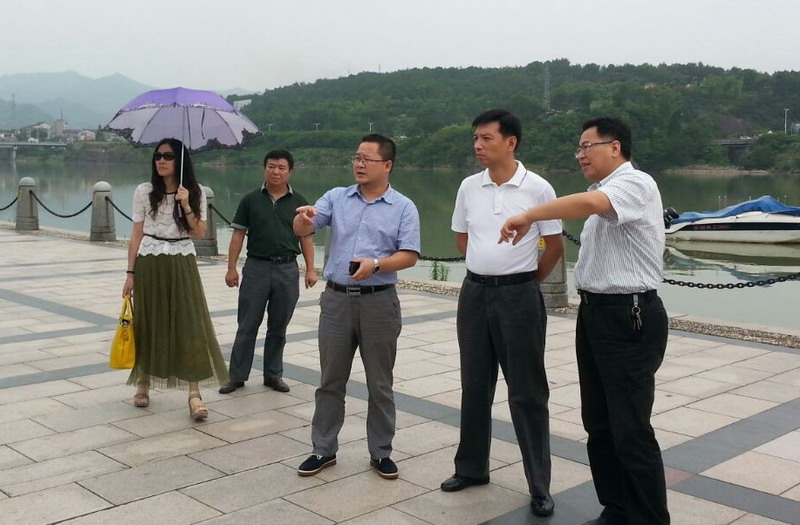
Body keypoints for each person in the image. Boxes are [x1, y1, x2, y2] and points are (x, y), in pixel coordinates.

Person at [499, 116, 670, 525]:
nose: (580, 155)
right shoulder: (602, 191)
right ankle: (616, 509)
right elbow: (591, 203)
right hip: (595, 313)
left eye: (587, 146)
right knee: (599, 421)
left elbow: (589, 205)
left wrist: (529, 215)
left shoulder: (635, 183)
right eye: (578, 148)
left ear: (615, 147)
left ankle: (648, 518)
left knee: (630, 426)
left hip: (629, 316)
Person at [440, 109, 563, 518]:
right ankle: (471, 468)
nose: (478, 145)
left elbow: (554, 247)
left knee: (527, 391)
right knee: (474, 385)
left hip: (519, 297)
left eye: (486, 138)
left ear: (511, 142)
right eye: (475, 138)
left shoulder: (538, 188)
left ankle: (539, 485)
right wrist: (485, 266)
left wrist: (524, 280)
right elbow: (462, 238)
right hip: (474, 294)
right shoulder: (468, 187)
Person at [292, 134, 420, 480]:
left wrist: (376, 265)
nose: (359, 164)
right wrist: (303, 218)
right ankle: (323, 449)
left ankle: (381, 452)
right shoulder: (337, 197)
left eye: (367, 159)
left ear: (387, 165)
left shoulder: (403, 207)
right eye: (357, 158)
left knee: (380, 383)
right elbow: (304, 226)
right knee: (330, 380)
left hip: (379, 302)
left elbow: (409, 255)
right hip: (336, 301)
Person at [123, 138, 229, 421]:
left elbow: (200, 232)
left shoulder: (194, 191)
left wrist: (186, 204)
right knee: (149, 320)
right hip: (149, 260)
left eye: (168, 156)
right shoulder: (144, 191)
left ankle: (194, 393)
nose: (161, 160)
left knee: (189, 323)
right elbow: (136, 234)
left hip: (182, 259)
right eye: (158, 156)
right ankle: (143, 381)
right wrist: (130, 273)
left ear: (180, 160)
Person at [219, 149, 317, 395]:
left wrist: (310, 270)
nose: (276, 171)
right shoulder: (250, 200)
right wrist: (231, 268)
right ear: (264, 169)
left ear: (290, 172)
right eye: (271, 166)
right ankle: (236, 376)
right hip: (256, 268)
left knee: (278, 326)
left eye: (281, 167)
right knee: (247, 324)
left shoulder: (299, 202)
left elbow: (306, 238)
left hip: (287, 269)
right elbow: (238, 235)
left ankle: (273, 375)